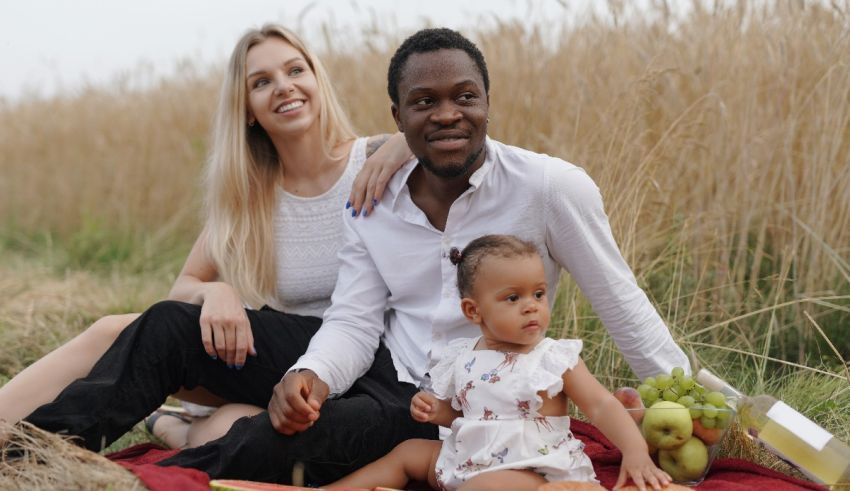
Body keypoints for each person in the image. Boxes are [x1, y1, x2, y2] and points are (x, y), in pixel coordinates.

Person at [20, 27, 689, 486]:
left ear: (488, 103)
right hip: (373, 356)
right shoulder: (375, 197)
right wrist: (309, 374)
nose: (448, 114)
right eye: (424, 103)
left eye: (464, 97)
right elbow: (354, 318)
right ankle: (35, 454)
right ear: (396, 116)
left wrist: (691, 398)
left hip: (433, 398)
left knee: (272, 442)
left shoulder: (549, 187)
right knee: (166, 323)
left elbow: (622, 301)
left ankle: (179, 460)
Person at [0, 23, 413, 449]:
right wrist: (216, 292)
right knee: (116, 332)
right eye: (262, 82)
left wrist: (409, 142)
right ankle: (14, 439)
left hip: (374, 365)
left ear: (316, 80)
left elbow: (468, 152)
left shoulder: (376, 158)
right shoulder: (250, 195)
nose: (284, 88)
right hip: (285, 362)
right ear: (248, 108)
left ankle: (172, 428)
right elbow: (183, 289)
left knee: (230, 428)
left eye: (295, 71)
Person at [329, 235, 672, 491]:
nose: (531, 306)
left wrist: (635, 450)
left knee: (486, 488)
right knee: (408, 452)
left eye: (538, 294)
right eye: (513, 297)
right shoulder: (464, 355)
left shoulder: (552, 358)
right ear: (473, 311)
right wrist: (437, 410)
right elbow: (466, 413)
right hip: (466, 457)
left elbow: (600, 405)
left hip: (532, 469)